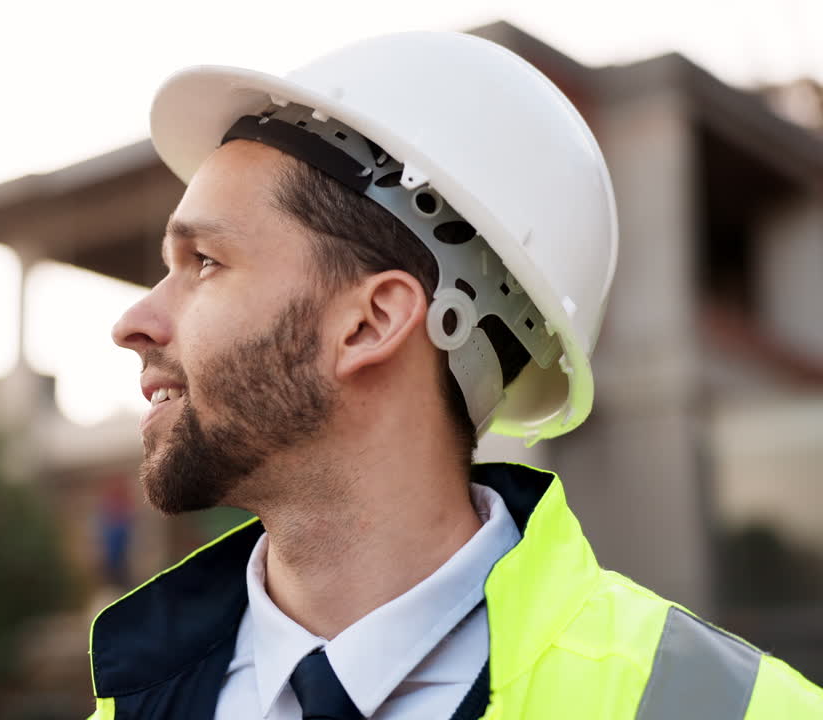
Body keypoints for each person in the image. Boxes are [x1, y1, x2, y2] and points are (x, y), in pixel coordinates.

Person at [88, 32, 823, 719]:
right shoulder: (131, 703)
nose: (134, 322)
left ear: (372, 322)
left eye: (205, 263)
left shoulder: (718, 706)